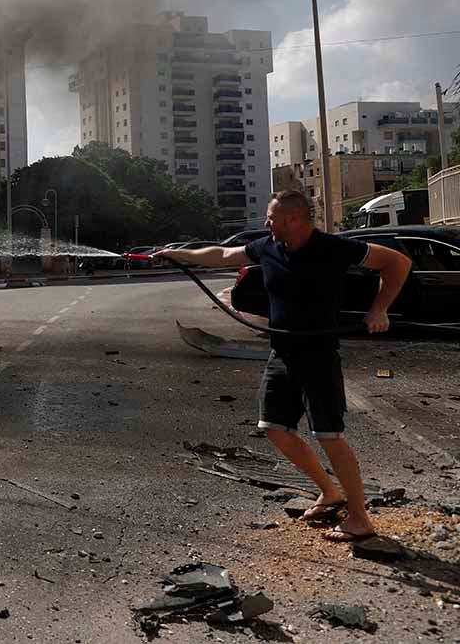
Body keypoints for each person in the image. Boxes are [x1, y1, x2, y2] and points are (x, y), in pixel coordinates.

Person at [155, 190, 412, 541]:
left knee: (329, 436)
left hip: (318, 353)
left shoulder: (333, 247)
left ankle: (360, 519)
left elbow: (397, 262)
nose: (266, 223)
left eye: (271, 217)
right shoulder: (268, 247)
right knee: (275, 428)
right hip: (282, 352)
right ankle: (329, 491)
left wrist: (379, 308)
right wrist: (177, 253)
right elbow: (222, 254)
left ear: (293, 218)